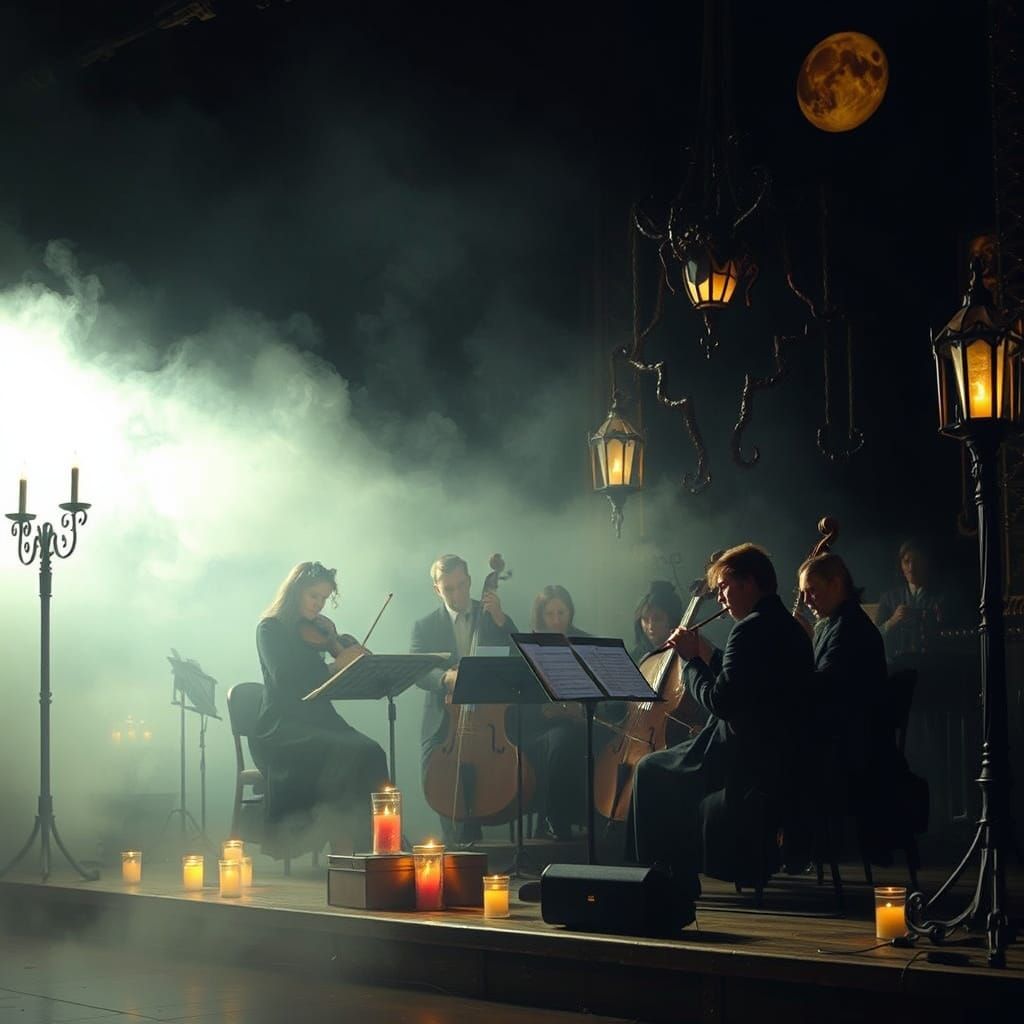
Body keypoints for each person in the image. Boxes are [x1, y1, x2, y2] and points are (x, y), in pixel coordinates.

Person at [627, 544, 814, 927]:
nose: (721, 597)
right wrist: (707, 653)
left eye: (725, 587)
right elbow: (741, 682)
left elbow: (720, 701)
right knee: (665, 767)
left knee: (650, 770)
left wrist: (690, 659)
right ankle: (679, 872)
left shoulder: (748, 630)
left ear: (749, 583)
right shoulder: (786, 626)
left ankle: (664, 879)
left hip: (742, 756)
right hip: (778, 751)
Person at [251, 561, 390, 856]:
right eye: (313, 596)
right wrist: (335, 665)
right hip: (283, 725)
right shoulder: (270, 629)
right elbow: (287, 680)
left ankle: (375, 844)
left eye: (324, 598)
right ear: (295, 592)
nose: (319, 604)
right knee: (348, 752)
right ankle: (342, 847)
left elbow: (330, 681)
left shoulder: (317, 633)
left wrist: (337, 646)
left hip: (319, 720)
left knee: (372, 750)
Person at [410, 553, 518, 845]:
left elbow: (519, 655)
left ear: (470, 581)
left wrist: (501, 620)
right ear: (437, 589)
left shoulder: (492, 615)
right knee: (438, 773)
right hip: (443, 719)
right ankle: (456, 841)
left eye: (461, 585)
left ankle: (480, 833)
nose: (457, 594)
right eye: (449, 588)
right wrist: (446, 678)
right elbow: (418, 671)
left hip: (488, 718)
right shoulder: (424, 626)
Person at [522, 585, 590, 841]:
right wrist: (548, 711)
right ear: (541, 616)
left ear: (570, 612)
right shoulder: (529, 648)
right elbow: (520, 703)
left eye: (562, 612)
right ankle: (555, 818)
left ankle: (592, 817)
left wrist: (581, 710)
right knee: (561, 740)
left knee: (574, 738)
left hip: (578, 722)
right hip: (539, 725)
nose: (557, 620)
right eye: (550, 614)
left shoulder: (584, 642)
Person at [875, 540, 946, 660]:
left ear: (926, 563)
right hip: (896, 664)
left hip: (931, 663)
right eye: (906, 562)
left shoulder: (941, 597)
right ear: (901, 566)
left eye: (917, 561)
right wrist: (892, 621)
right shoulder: (888, 598)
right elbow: (874, 635)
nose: (911, 568)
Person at [630, 580, 683, 662]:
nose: (650, 626)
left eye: (657, 619)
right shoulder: (635, 657)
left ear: (672, 620)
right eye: (645, 619)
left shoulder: (685, 651)